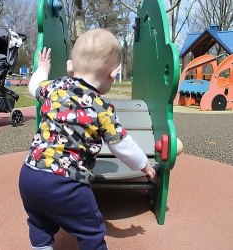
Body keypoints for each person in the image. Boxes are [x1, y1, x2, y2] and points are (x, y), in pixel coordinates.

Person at [19, 29, 156, 250]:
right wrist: (144, 164)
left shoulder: (54, 89)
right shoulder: (102, 108)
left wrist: (42, 69)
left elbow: (33, 86)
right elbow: (122, 145)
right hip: (66, 183)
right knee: (91, 231)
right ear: (114, 73)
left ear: (70, 67)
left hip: (30, 175)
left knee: (39, 223)